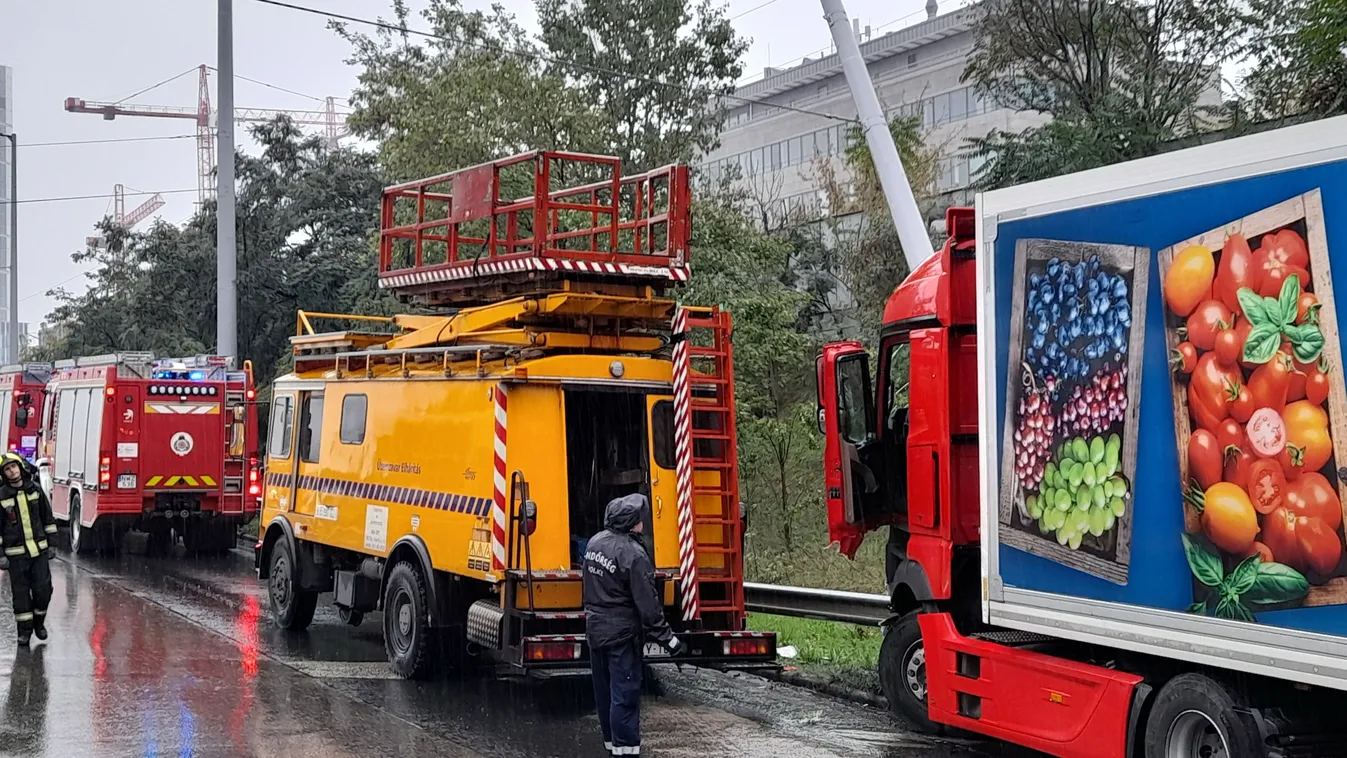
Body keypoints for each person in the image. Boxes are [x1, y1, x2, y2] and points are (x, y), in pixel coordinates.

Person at [583, 494, 683, 757]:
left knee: (604, 694)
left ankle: (611, 747)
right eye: (639, 520)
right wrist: (669, 640)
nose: (642, 524)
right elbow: (648, 605)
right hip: (621, 636)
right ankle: (626, 752)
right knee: (625, 697)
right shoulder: (633, 554)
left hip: (595, 631)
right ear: (632, 523)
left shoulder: (594, 543)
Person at [0, 452, 56, 646]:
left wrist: (52, 544)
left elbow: (47, 519)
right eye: (7, 469)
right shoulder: (1, 497)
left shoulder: (36, 490)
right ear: (3, 474)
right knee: (21, 595)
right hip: (16, 556)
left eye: (14, 466)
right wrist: (1, 555)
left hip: (39, 552)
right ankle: (24, 632)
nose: (12, 471)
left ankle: (39, 623)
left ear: (21, 466)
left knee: (43, 590)